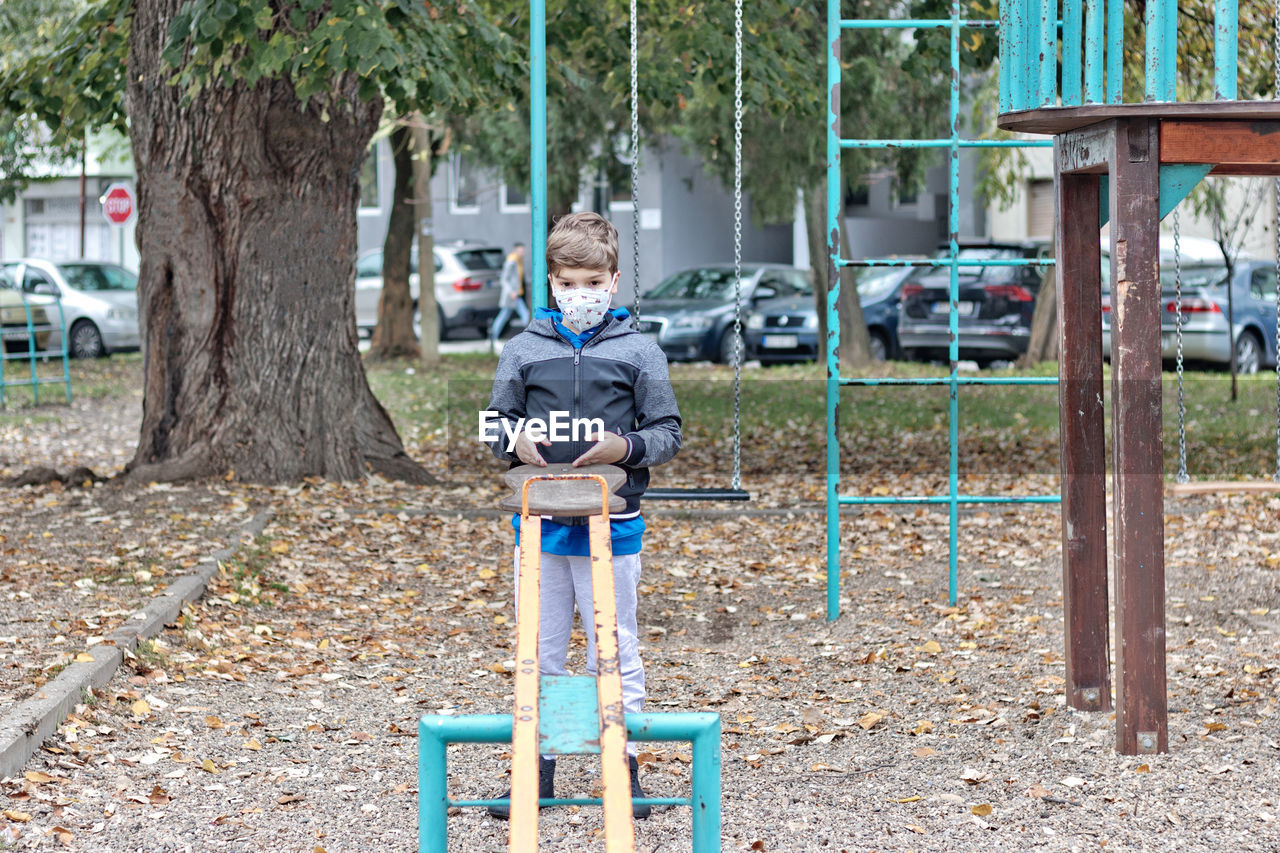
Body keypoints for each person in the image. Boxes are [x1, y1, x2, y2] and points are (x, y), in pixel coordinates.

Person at [482, 212, 682, 821]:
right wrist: (514, 442)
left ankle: (623, 772)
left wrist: (625, 448)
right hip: (540, 526)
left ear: (614, 281)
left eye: (593, 282)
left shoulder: (639, 352)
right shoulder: (522, 350)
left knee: (612, 650)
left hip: (613, 524)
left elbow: (668, 432)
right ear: (551, 284)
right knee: (541, 652)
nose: (581, 295)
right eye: (569, 283)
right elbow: (494, 424)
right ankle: (540, 771)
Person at [489, 242, 530, 342]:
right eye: (520, 251)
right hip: (512, 296)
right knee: (525, 315)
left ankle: (492, 337)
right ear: (515, 251)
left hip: (515, 295)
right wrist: (511, 291)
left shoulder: (518, 261)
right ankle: (529, 336)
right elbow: (504, 279)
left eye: (523, 251)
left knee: (505, 315)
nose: (523, 253)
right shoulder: (511, 262)